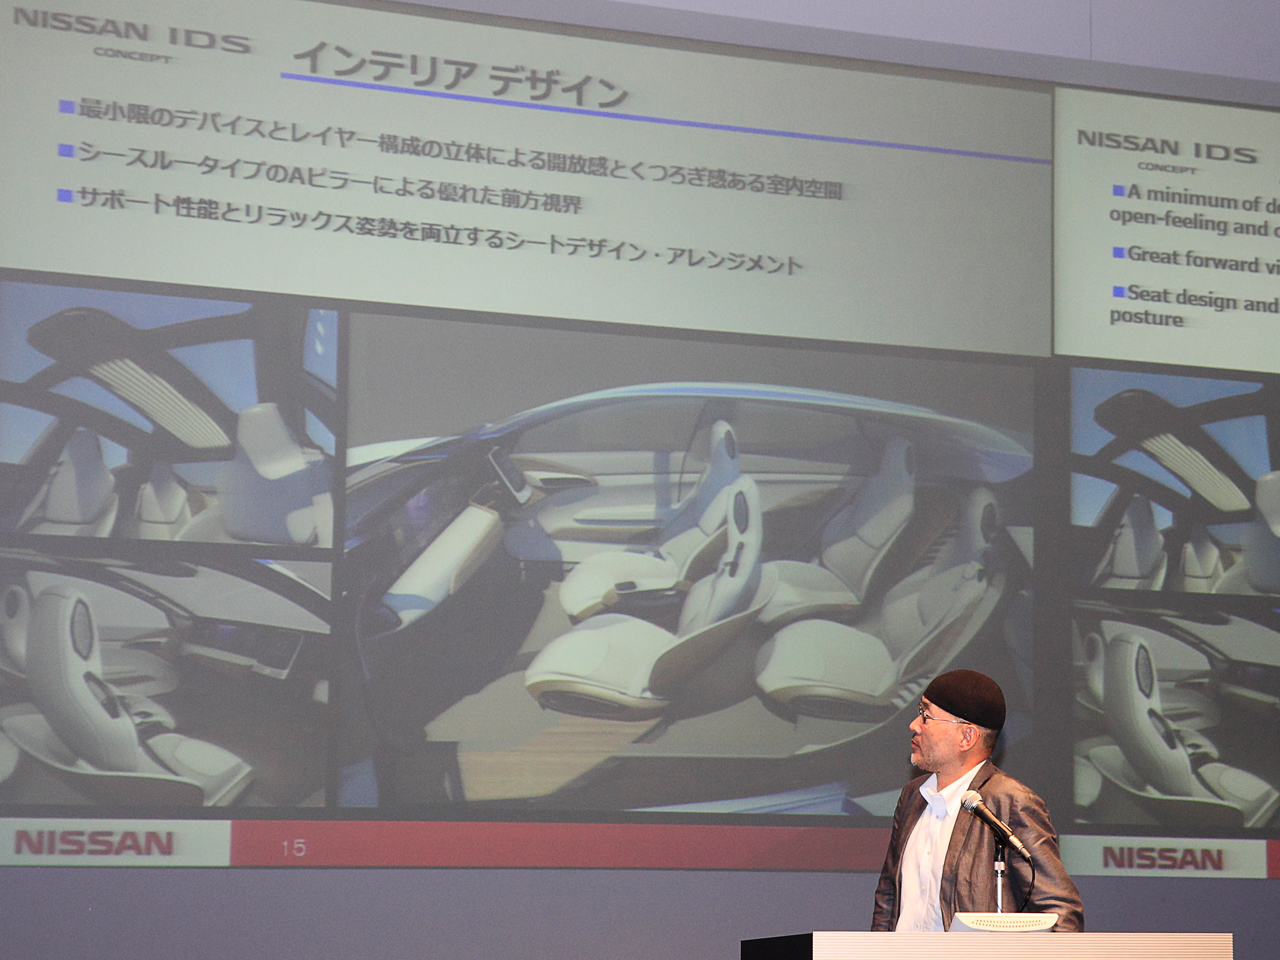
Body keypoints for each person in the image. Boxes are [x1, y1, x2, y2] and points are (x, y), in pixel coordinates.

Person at [870, 669, 1083, 932]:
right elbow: (888, 900)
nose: (914, 725)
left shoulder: (1011, 803)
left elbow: (1061, 911)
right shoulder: (912, 797)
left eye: (926, 716)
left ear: (966, 737)